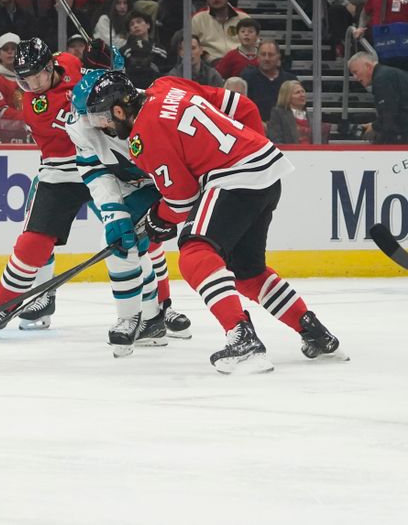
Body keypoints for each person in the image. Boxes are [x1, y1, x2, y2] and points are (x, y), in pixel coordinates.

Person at [80, 70, 345, 373]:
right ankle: (312, 330)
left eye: (104, 120)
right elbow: (241, 105)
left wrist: (157, 219)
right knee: (247, 272)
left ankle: (242, 338)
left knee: (194, 254)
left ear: (118, 110)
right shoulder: (167, 86)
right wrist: (243, 146)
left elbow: (182, 198)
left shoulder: (143, 135)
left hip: (235, 177)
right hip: (265, 166)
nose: (105, 128)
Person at [0, 37, 90, 335]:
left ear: (51, 65)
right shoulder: (38, 107)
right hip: (62, 172)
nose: (32, 86)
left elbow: (87, 79)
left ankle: (159, 310)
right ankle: (1, 308)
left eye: (36, 76)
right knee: (32, 242)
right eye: (25, 80)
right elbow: (85, 122)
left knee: (138, 238)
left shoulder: (68, 61)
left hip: (104, 165)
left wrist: (100, 67)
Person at [69, 70, 190, 355]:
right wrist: (114, 214)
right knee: (122, 243)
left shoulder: (151, 115)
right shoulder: (84, 124)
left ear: (119, 107)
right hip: (130, 185)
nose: (95, 124)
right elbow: (95, 171)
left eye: (100, 116)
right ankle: (149, 321)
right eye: (90, 116)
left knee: (125, 245)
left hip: (170, 183)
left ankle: (142, 317)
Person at [348, 51, 408, 144]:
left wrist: (375, 126)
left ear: (368, 66)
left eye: (355, 72)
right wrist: (375, 125)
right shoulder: (389, 74)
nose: (355, 77)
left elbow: (390, 115)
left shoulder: (382, 79)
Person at [242, 39, 298, 122]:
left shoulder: (290, 80)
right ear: (257, 57)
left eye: (271, 55)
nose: (266, 58)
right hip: (255, 129)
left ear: (278, 57)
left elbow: (298, 110)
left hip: (285, 130)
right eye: (263, 54)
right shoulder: (247, 79)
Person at [191, 0, 250, 65]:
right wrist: (209, 59)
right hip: (210, 64)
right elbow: (191, 46)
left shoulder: (243, 17)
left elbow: (254, 43)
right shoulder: (197, 19)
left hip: (240, 62)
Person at [120, 10, 169, 89]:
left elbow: (164, 72)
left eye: (139, 22)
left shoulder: (160, 50)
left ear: (148, 25)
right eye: (131, 24)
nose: (135, 26)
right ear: (129, 31)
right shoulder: (123, 52)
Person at [267, 80, 315, 144]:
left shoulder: (309, 115)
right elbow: (276, 139)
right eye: (297, 93)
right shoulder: (278, 113)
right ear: (287, 97)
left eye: (303, 91)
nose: (302, 95)